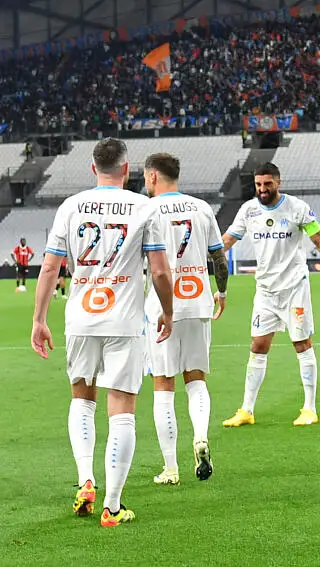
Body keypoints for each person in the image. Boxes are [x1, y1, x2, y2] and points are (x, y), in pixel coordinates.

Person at [30, 138, 174, 527]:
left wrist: (39, 319)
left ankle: (85, 481)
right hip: (123, 322)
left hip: (81, 318)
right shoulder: (144, 207)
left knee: (82, 400)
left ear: (93, 168)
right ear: (126, 169)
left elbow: (50, 267)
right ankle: (112, 506)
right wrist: (167, 311)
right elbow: (160, 271)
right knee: (122, 408)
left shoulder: (70, 206)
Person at [220, 162, 320, 428]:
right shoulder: (249, 210)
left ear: (278, 182)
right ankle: (246, 410)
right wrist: (201, 259)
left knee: (301, 343)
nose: (262, 189)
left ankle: (310, 409)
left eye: (267, 184)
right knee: (258, 346)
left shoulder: (297, 208)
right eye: (258, 184)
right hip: (265, 291)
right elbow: (227, 241)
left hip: (294, 288)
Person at [142, 153, 229, 485]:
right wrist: (221, 292)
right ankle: (201, 436)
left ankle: (171, 468)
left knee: (163, 385)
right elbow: (218, 258)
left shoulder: (147, 209)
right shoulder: (202, 208)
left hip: (163, 306)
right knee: (196, 380)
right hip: (198, 302)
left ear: (153, 176)